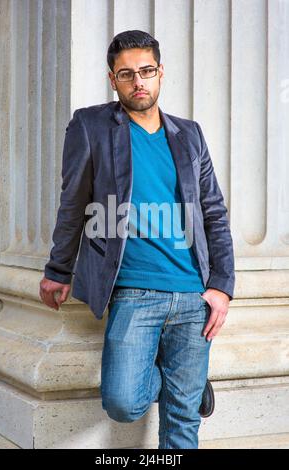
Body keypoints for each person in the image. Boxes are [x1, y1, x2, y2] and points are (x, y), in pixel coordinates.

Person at [39, 30, 235, 449]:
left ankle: (186, 388)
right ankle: (183, 383)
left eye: (146, 71)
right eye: (126, 74)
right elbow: (73, 203)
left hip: (192, 296)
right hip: (133, 293)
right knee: (123, 402)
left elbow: (214, 214)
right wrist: (58, 269)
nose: (138, 82)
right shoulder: (91, 126)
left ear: (161, 73)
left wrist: (222, 287)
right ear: (114, 80)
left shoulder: (190, 135)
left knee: (182, 426)